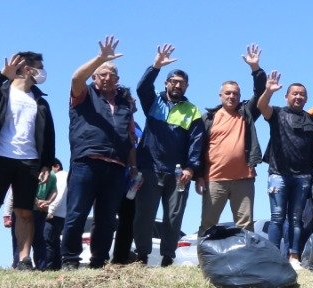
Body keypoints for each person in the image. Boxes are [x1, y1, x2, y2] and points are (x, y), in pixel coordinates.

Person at [0, 51, 56, 274]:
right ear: (27, 69)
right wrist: (0, 76)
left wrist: (46, 163)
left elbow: (48, 135)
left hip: (28, 162)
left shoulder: (40, 102)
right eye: (39, 66)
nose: (43, 72)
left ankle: (25, 260)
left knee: (25, 212)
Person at [61, 37, 137, 270]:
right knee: (77, 213)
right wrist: (101, 59)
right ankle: (70, 260)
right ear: (94, 77)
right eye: (102, 74)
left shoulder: (125, 105)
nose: (106, 78)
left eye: (111, 74)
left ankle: (99, 261)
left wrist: (132, 167)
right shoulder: (84, 95)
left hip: (116, 167)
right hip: (87, 163)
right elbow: (76, 78)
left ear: (118, 80)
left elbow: (131, 138)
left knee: (106, 219)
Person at [134, 44, 205, 267]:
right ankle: (142, 255)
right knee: (145, 214)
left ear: (187, 87)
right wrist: (156, 66)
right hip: (150, 168)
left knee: (173, 217)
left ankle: (168, 257)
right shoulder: (154, 101)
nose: (177, 85)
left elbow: (196, 142)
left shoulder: (192, 110)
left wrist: (191, 168)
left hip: (177, 173)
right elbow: (142, 87)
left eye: (181, 83)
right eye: (173, 81)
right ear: (166, 83)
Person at [258, 71, 313, 266]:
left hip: (303, 176)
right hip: (278, 174)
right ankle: (272, 258)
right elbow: (262, 106)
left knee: (296, 219)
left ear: (306, 98)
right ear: (286, 96)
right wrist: (268, 91)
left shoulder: (312, 120)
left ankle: (293, 256)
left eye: (302, 94)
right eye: (294, 93)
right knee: (277, 218)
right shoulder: (278, 113)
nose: (298, 96)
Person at [196, 46, 266, 233]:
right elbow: (198, 150)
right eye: (228, 93)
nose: (232, 96)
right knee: (208, 225)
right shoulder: (208, 118)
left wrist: (255, 68)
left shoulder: (246, 113)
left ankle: (245, 262)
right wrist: (199, 176)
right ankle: (205, 262)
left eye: (235, 93)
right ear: (220, 95)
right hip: (214, 180)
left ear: (240, 97)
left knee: (245, 226)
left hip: (243, 179)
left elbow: (260, 92)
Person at [32, 159, 62, 270]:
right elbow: (55, 191)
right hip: (44, 209)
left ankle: (19, 263)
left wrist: (38, 202)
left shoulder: (33, 169)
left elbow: (27, 189)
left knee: (25, 238)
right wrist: (48, 202)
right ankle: (42, 266)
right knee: (41, 239)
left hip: (35, 208)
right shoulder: (53, 175)